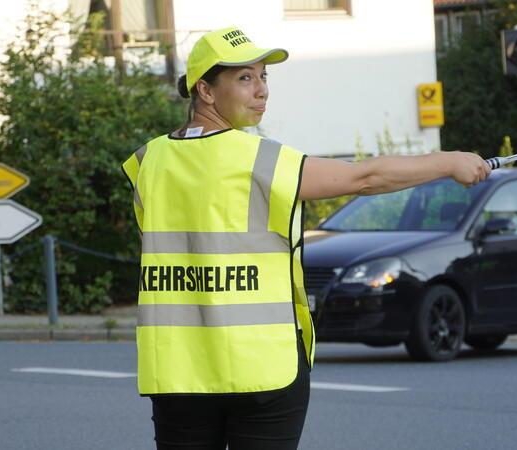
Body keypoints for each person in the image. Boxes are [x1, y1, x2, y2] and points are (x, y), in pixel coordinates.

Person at [121, 26, 489, 450]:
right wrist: (448, 161)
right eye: (245, 78)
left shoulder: (147, 161)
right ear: (204, 90)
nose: (261, 90)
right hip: (262, 366)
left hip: (178, 370)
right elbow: (365, 177)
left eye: (263, 76)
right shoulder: (260, 158)